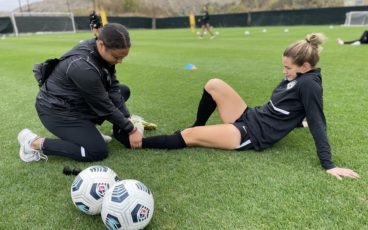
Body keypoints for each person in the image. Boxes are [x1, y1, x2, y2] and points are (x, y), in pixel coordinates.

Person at [115, 33, 360, 180]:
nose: (284, 71)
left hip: (253, 135)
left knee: (188, 137)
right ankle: (199, 126)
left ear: (305, 67)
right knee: (214, 84)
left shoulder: (309, 85)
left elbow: (317, 120)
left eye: (288, 68)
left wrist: (329, 164)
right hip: (252, 116)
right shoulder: (297, 78)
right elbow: (290, 107)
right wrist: (297, 120)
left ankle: (135, 142)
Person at [17, 23, 151, 163]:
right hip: (56, 111)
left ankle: (88, 131)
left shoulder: (98, 51)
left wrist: (126, 118)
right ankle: (33, 143)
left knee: (123, 91)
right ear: (100, 44)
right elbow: (103, 106)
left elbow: (112, 87)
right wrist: (131, 130)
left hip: (74, 102)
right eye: (116, 57)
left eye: (122, 57)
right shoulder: (82, 67)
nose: (120, 61)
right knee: (97, 152)